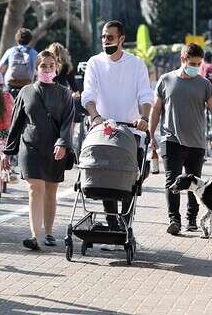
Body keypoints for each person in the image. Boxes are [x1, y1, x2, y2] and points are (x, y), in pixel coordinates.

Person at [81, 20, 153, 250]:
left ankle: (124, 225)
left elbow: (145, 94)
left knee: (130, 180)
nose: (105, 41)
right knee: (105, 177)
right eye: (103, 37)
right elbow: (88, 93)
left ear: (121, 39)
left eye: (110, 37)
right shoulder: (94, 63)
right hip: (103, 130)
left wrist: (144, 117)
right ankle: (113, 226)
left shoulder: (136, 65)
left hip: (130, 131)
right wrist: (94, 116)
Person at [2, 50, 74, 250]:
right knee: (35, 189)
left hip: (55, 149)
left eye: (51, 65)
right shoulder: (26, 91)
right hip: (30, 147)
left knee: (51, 191)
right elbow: (16, 123)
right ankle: (35, 235)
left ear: (57, 68)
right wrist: (8, 152)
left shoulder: (64, 93)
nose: (48, 69)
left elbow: (68, 123)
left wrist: (62, 143)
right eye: (43, 65)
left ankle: (49, 232)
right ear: (36, 69)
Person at [150, 43, 212, 235]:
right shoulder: (166, 80)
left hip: (196, 143)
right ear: (183, 59)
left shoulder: (204, 84)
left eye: (199, 64)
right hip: (171, 140)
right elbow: (156, 109)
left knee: (194, 183)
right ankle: (174, 220)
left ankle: (192, 218)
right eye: (193, 63)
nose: (196, 67)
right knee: (171, 181)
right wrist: (151, 135)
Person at [0, 28, 38, 98]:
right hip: (27, 84)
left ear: (17, 39)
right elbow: (37, 71)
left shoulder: (10, 51)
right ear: (30, 40)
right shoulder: (34, 53)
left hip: (10, 84)